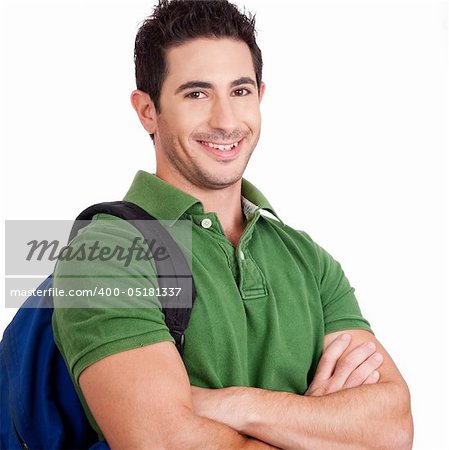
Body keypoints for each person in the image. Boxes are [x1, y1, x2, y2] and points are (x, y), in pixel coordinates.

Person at [52, 0, 413, 448]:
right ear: (147, 110)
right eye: (197, 94)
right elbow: (161, 443)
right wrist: (316, 423)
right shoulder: (104, 251)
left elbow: (392, 427)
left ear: (260, 96)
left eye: (239, 91)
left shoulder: (307, 258)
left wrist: (234, 404)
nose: (225, 121)